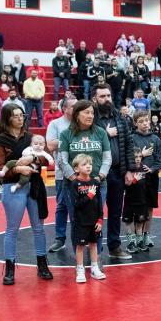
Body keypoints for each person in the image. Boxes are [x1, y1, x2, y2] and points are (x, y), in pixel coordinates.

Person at [0, 105, 53, 285]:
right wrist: (18, 168)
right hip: (13, 186)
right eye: (16, 116)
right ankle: (10, 268)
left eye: (22, 115)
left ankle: (42, 264)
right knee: (12, 229)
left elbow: (47, 157)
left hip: (34, 186)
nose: (20, 118)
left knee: (39, 228)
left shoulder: (30, 137)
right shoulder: (0, 139)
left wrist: (34, 159)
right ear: (7, 118)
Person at [57, 100, 111, 260]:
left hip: (98, 185)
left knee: (97, 219)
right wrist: (75, 180)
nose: (90, 115)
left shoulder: (100, 132)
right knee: (76, 220)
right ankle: (79, 260)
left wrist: (99, 177)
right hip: (73, 186)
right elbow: (62, 161)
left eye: (92, 113)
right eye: (86, 112)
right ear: (77, 114)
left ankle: (97, 258)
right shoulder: (66, 134)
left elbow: (107, 158)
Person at [92, 84, 135, 260]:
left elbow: (129, 143)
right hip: (97, 173)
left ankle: (114, 246)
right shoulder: (90, 117)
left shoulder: (119, 116)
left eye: (108, 95)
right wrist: (105, 134)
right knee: (95, 212)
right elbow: (85, 140)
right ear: (95, 99)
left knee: (116, 211)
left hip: (118, 171)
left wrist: (130, 170)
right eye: (102, 96)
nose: (107, 99)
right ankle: (95, 249)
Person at [127, 110, 161, 251]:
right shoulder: (131, 138)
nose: (145, 123)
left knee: (149, 206)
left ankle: (146, 234)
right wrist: (141, 156)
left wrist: (153, 169)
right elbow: (128, 157)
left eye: (146, 120)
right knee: (134, 206)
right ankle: (134, 236)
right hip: (136, 179)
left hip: (151, 178)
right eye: (141, 121)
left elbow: (160, 159)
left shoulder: (156, 139)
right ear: (135, 123)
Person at [69, 154, 107, 283]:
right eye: (84, 164)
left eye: (89, 164)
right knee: (80, 245)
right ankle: (80, 269)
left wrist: (100, 219)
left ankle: (94, 267)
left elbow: (99, 203)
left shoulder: (95, 182)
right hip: (81, 221)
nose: (88, 166)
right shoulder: (75, 184)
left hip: (94, 221)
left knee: (94, 244)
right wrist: (89, 196)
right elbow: (76, 204)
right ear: (76, 169)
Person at [46, 97, 76, 253]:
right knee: (62, 205)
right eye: (73, 106)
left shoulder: (82, 122)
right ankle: (60, 238)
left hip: (82, 173)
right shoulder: (55, 124)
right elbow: (50, 145)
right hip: (62, 173)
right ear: (64, 108)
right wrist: (69, 139)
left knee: (82, 206)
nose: (76, 108)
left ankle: (81, 238)